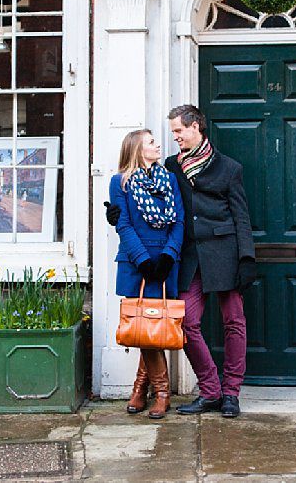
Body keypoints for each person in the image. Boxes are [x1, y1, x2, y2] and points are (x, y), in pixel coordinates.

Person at [106, 105, 256, 418]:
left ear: (195, 127)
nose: (173, 137)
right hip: (189, 257)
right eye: (172, 132)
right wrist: (117, 216)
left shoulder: (229, 168)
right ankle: (211, 389)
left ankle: (231, 393)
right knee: (185, 321)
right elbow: (147, 199)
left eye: (178, 131)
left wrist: (246, 258)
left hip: (225, 252)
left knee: (234, 322)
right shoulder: (171, 168)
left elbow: (241, 217)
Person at [108, 129, 185, 419]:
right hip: (134, 262)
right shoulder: (120, 183)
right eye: (151, 142)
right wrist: (142, 260)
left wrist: (168, 255)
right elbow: (123, 225)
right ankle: (161, 393)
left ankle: (141, 387)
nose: (158, 145)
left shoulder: (170, 179)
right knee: (143, 328)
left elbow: (178, 221)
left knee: (152, 328)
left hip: (166, 261)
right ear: (138, 150)